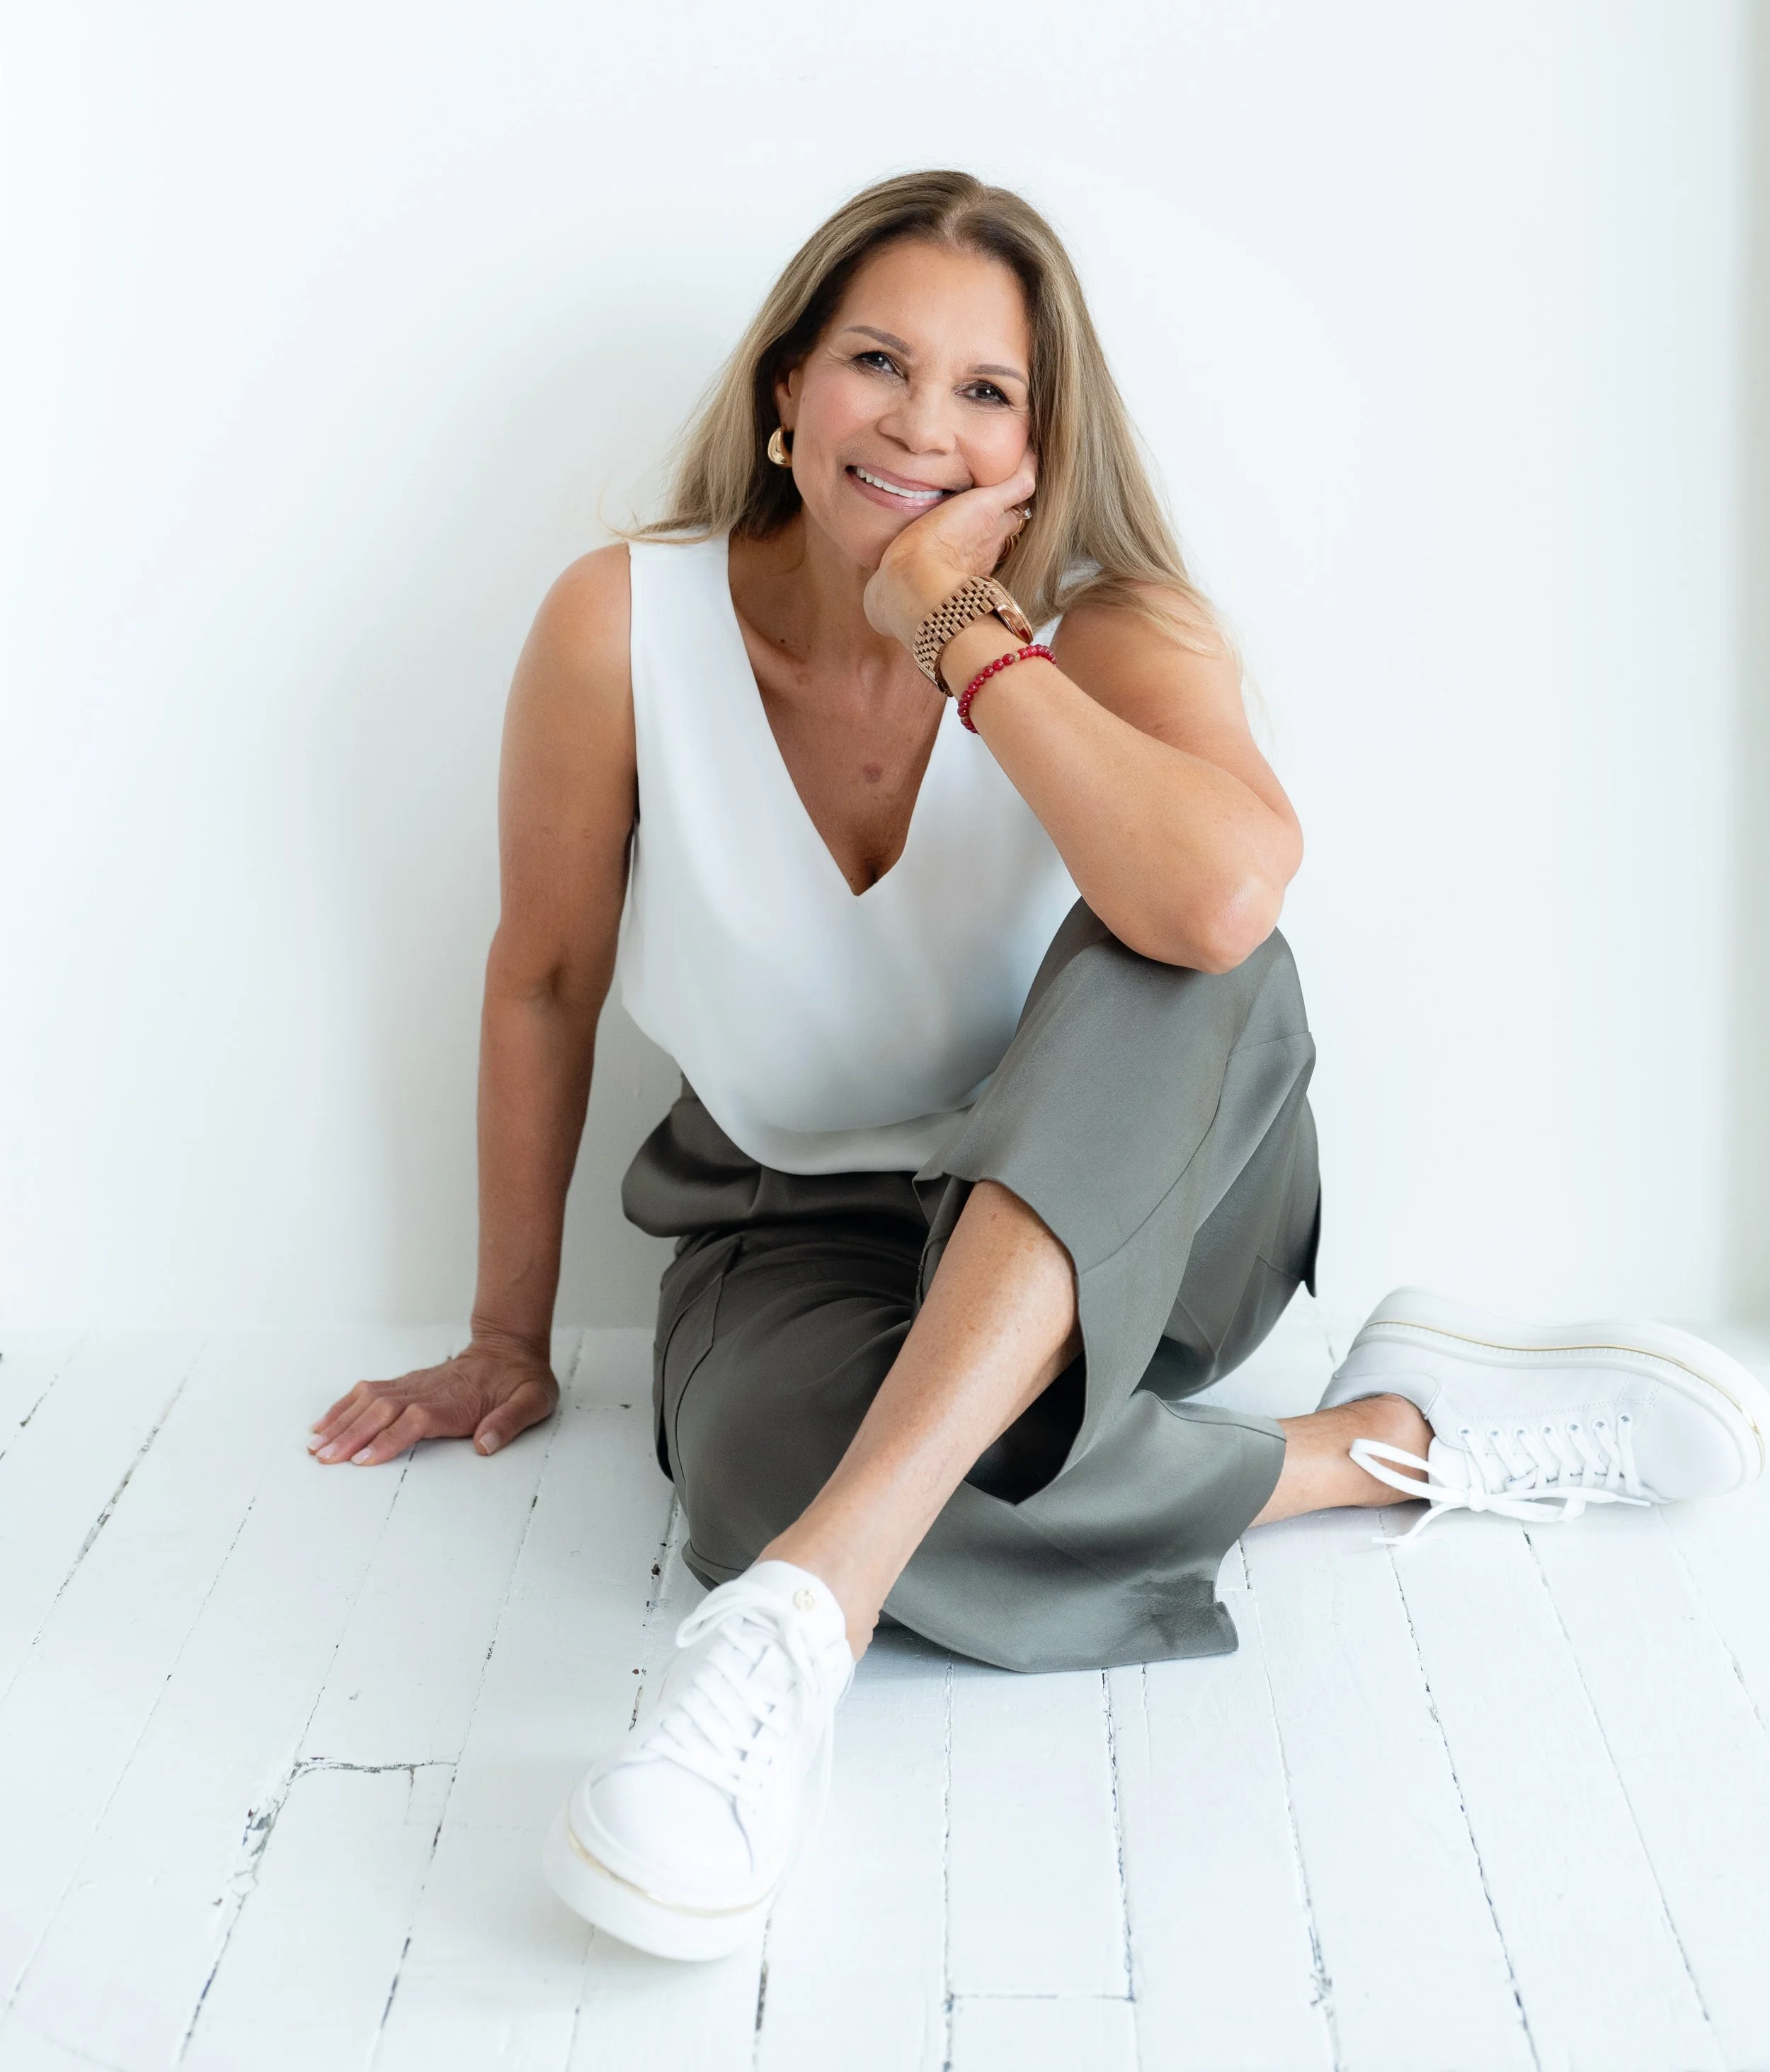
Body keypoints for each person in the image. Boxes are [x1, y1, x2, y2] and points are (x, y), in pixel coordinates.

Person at [309, 171, 1770, 1964]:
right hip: (798, 1233)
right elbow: (542, 976)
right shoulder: (622, 625)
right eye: (875, 362)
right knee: (763, 1474)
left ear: (1037, 443)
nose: (920, 424)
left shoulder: (1113, 623)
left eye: (985, 391)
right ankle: (1380, 1443)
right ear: (784, 390)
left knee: (1182, 932)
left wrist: (957, 629)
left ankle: (799, 1622)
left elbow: (1221, 905)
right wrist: (504, 1335)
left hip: (1139, 1237)